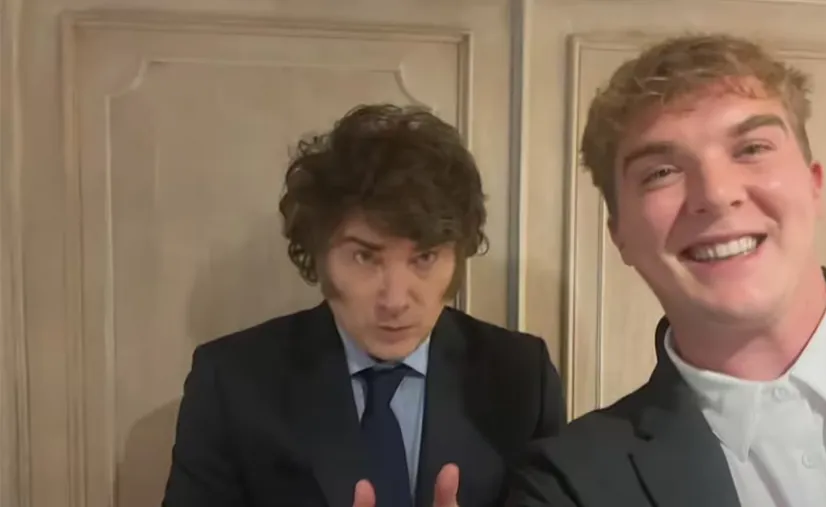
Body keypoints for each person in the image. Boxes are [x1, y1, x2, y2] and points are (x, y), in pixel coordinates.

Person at [505, 34, 826, 507]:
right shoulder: (568, 486)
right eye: (661, 172)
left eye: (751, 148)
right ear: (619, 234)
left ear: (814, 185)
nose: (715, 194)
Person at [161, 104, 565, 507]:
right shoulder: (232, 383)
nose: (395, 300)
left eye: (424, 258)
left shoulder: (522, 380)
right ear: (318, 253)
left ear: (458, 256)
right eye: (364, 257)